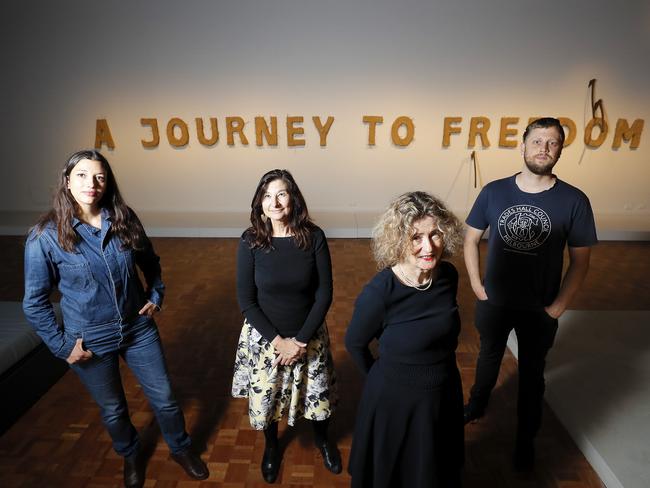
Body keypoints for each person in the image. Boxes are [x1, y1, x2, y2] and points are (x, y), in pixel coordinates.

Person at [22, 150, 209, 488]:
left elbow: (150, 261)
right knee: (113, 410)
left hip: (138, 328)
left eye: (99, 177)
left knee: (165, 398)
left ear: (107, 183)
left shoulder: (123, 218)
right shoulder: (44, 236)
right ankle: (131, 454)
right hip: (89, 338)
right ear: (67, 181)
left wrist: (155, 294)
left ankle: (180, 449)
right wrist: (63, 346)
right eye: (81, 175)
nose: (91, 184)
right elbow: (34, 303)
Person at [463, 117, 598, 470]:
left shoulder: (574, 200)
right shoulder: (494, 191)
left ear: (560, 150)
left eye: (552, 142)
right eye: (537, 141)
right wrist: (477, 285)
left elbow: (580, 263)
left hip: (540, 308)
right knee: (488, 356)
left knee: (532, 376)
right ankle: (477, 404)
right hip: (494, 302)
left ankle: (525, 441)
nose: (544, 148)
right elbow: (471, 239)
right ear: (522, 145)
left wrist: (558, 307)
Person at [345, 191, 465, 488]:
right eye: (416, 238)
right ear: (399, 240)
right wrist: (380, 379)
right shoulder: (380, 292)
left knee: (433, 471)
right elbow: (355, 343)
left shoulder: (448, 276)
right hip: (396, 402)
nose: (429, 247)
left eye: (435, 235)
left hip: (443, 392)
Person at [232, 169, 340, 483]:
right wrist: (280, 342)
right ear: (259, 203)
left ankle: (323, 440)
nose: (274, 202)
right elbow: (246, 300)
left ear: (293, 198)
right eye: (267, 196)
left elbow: (325, 293)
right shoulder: (250, 241)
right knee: (268, 400)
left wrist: (301, 340)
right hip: (266, 339)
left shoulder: (313, 237)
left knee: (318, 399)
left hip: (309, 335)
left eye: (281, 194)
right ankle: (271, 446)